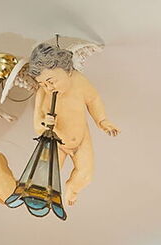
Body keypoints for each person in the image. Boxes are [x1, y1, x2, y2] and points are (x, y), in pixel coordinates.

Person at [19, 42, 118, 204]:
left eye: (51, 81)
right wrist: (45, 123)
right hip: (56, 142)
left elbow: (93, 99)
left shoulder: (79, 82)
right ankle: (41, 195)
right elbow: (37, 124)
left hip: (81, 140)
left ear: (67, 70)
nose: (48, 87)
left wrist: (102, 120)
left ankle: (73, 187)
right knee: (47, 174)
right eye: (43, 84)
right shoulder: (42, 94)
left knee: (86, 175)